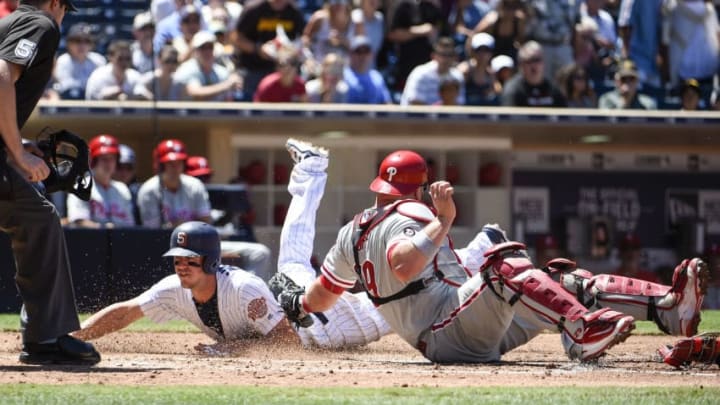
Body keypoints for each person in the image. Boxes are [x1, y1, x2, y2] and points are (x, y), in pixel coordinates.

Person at [274, 148, 709, 364]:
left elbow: (322, 295)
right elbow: (403, 263)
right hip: (443, 333)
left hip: (456, 324)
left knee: (557, 281)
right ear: (421, 188)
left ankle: (666, 307)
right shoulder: (415, 214)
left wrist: (300, 305)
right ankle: (581, 331)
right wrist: (443, 220)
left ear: (380, 186)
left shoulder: (352, 231)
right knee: (503, 266)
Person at [74, 141, 391, 351]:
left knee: (400, 306)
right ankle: (311, 168)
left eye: (190, 259)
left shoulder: (242, 287)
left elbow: (289, 342)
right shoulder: (174, 288)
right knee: (293, 255)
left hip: (329, 326)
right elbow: (126, 312)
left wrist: (228, 348)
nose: (181, 265)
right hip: (297, 299)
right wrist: (77, 336)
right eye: (177, 259)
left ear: (211, 261)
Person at [0, 0, 100, 365]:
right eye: (65, 9)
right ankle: (45, 337)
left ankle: (45, 335)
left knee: (36, 219)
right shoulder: (40, 23)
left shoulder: (12, 20)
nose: (62, 16)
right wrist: (18, 151)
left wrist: (16, 146)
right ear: (57, 3)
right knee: (38, 221)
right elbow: (0, 75)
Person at [234, 0, 306, 101]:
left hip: (284, 68)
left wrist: (292, 49)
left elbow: (304, 37)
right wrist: (258, 49)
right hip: (254, 67)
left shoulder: (293, 11)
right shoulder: (254, 9)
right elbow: (237, 38)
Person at [66, 134, 135, 229]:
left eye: (112, 159)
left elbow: (130, 225)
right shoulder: (81, 186)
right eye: (104, 159)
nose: (109, 163)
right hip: (91, 240)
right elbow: (78, 221)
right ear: (93, 161)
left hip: (119, 241)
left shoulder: (122, 189)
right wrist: (104, 229)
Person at [174, 31, 242, 101]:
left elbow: (229, 100)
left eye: (210, 47)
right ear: (195, 50)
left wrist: (234, 86)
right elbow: (195, 93)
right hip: (188, 112)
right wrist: (227, 85)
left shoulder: (221, 71)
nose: (207, 51)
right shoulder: (187, 69)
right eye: (203, 48)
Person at [400, 37, 465, 106]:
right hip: (413, 116)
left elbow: (458, 104)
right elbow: (415, 104)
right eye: (442, 54)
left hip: (442, 115)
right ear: (433, 56)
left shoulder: (457, 76)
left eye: (450, 55)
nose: (446, 59)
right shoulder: (421, 73)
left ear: (455, 57)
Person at [500, 40, 566, 107]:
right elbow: (510, 115)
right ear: (521, 65)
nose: (534, 65)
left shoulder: (553, 88)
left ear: (543, 63)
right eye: (529, 61)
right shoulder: (513, 89)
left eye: (537, 60)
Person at [52, 22, 106, 99]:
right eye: (77, 40)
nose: (82, 45)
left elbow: (102, 86)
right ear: (69, 43)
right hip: (69, 101)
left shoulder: (99, 60)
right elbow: (65, 86)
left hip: (93, 103)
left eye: (87, 41)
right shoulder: (63, 60)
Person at [85, 40, 151, 101]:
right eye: (120, 59)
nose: (124, 62)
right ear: (110, 57)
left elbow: (146, 96)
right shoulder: (99, 75)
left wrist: (128, 96)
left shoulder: (134, 76)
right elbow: (94, 99)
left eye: (128, 59)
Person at [343, 34, 391, 104]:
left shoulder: (377, 76)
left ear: (372, 54)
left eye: (366, 51)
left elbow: (387, 103)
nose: (362, 56)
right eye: (358, 51)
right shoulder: (343, 75)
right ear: (350, 54)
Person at [113, 144, 142, 226]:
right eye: (119, 167)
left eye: (128, 167)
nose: (124, 172)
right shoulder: (100, 189)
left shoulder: (139, 192)